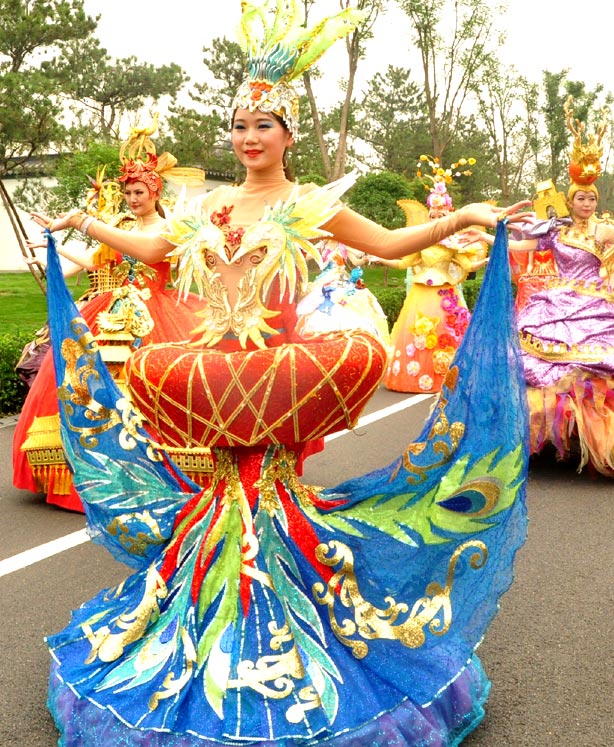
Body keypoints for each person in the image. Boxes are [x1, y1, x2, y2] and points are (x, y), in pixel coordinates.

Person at [37, 2, 530, 744]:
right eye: (238, 126)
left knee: (288, 463)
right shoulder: (210, 206)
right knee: (181, 419)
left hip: (277, 376)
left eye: (262, 125)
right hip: (211, 376)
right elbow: (147, 250)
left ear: (288, 134)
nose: (247, 138)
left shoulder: (308, 203)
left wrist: (462, 219)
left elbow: (393, 244)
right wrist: (84, 227)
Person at [13, 129, 206, 512]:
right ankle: (88, 470)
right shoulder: (122, 228)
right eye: (129, 193)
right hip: (110, 310)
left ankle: (156, 471)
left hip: (156, 314)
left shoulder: (170, 228)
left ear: (156, 193)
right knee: (79, 377)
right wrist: (54, 251)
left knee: (158, 386)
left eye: (140, 192)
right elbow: (96, 263)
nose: (133, 199)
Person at [468, 97, 614, 476]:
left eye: (591, 198)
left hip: (596, 306)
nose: (586, 202)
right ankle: (548, 442)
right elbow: (520, 245)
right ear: (570, 200)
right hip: (554, 303)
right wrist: (489, 239)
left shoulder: (606, 230)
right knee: (531, 359)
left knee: (594, 370)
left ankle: (589, 440)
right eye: (580, 197)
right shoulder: (556, 231)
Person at [379, 160, 488, 394]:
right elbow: (403, 262)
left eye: (441, 215)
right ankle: (415, 375)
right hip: (420, 293)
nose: (436, 218)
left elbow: (467, 265)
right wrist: (381, 259)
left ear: (448, 215)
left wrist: (487, 261)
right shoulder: (421, 240)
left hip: (444, 293)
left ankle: (446, 374)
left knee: (445, 332)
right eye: (432, 215)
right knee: (418, 333)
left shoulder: (454, 244)